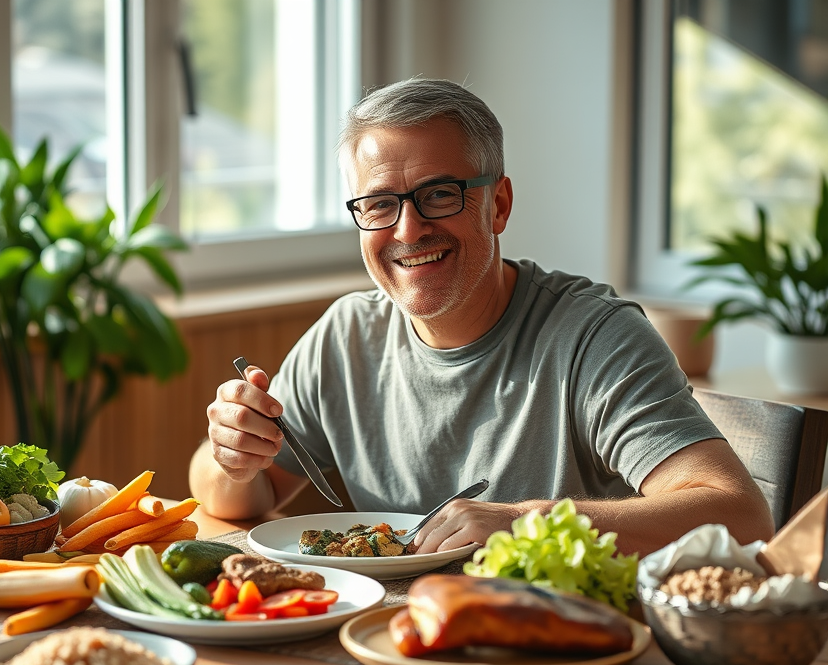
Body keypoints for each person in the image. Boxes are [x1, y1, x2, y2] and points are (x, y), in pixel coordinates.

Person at [188, 78, 773, 557]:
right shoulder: (345, 337)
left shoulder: (594, 337)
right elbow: (240, 496)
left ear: (497, 205)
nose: (408, 230)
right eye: (379, 204)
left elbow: (742, 517)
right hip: (387, 646)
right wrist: (231, 455)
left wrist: (528, 521)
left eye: (439, 194)